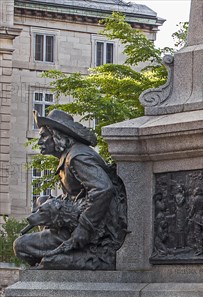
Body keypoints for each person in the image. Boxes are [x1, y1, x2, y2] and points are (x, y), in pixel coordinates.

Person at [14, 110, 127, 269]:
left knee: (21, 246)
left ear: (57, 136)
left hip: (93, 231)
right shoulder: (68, 156)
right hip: (77, 222)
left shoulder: (76, 157)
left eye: (44, 136)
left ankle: (64, 258)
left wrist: (84, 228)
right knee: (43, 201)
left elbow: (102, 189)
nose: (39, 142)